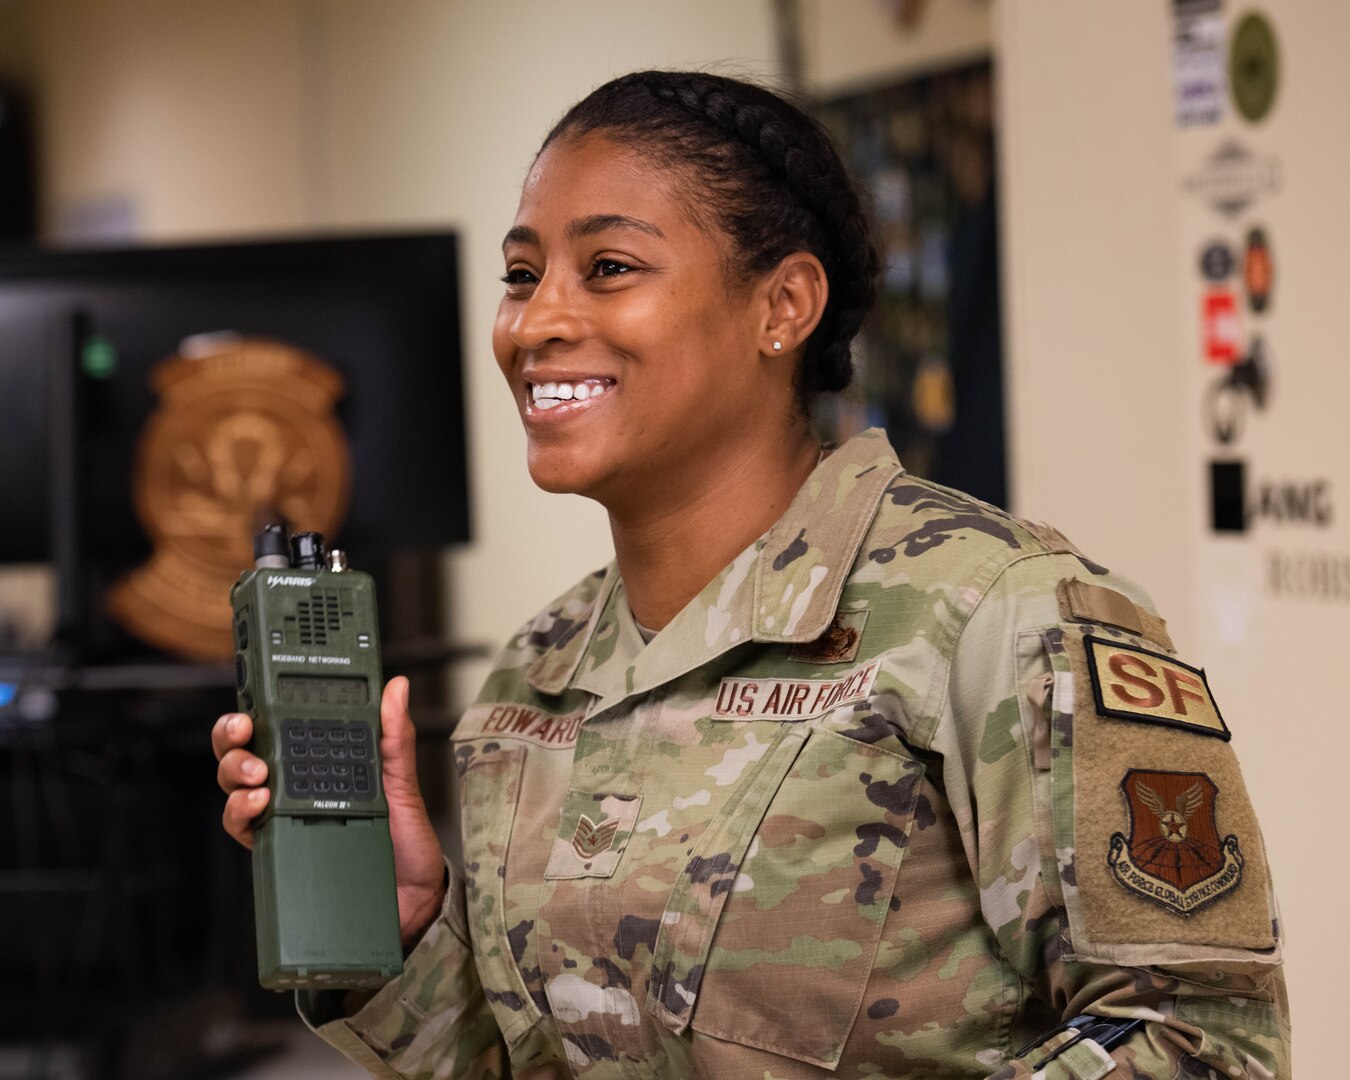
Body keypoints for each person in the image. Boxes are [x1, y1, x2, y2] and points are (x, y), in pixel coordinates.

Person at [212, 71, 1290, 1078]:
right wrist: (406, 930)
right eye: (522, 275)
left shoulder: (996, 615)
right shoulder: (535, 674)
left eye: (611, 268)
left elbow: (1201, 1040)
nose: (535, 322)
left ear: (783, 307)